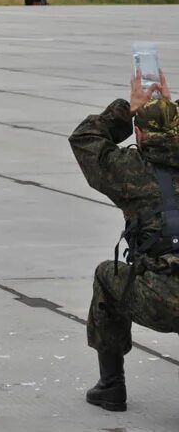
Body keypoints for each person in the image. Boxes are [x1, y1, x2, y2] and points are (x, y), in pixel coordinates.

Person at [69, 69, 179, 412]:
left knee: (108, 274)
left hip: (161, 301)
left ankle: (111, 386)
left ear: (139, 134)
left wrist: (129, 107)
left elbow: (85, 139)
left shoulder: (128, 169)